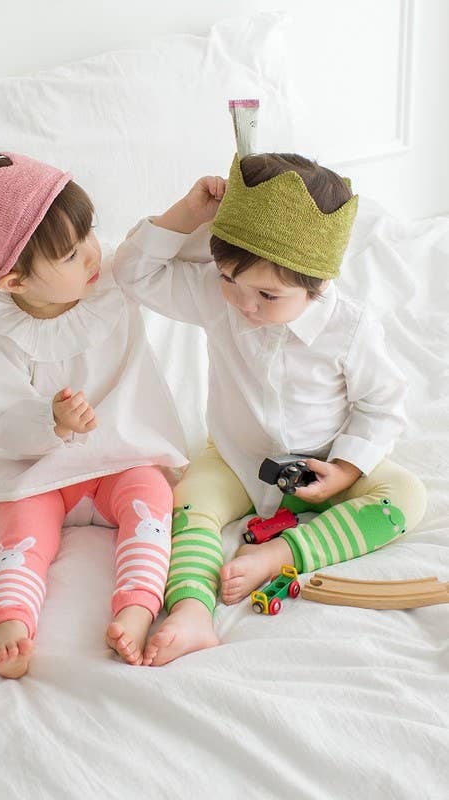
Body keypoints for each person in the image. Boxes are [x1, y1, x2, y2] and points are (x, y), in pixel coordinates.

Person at [112, 150, 427, 666]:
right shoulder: (220, 300)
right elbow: (132, 273)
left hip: (324, 464)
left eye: (268, 294)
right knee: (186, 506)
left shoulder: (348, 328)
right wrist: (186, 216)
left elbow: (382, 404)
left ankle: (281, 555)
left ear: (317, 285)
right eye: (230, 281)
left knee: (407, 497)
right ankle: (191, 611)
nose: (245, 305)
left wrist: (347, 470)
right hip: (237, 460)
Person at [0, 152, 188, 677]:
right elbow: (0, 422)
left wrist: (191, 208)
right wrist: (50, 420)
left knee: (151, 499)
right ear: (15, 283)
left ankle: (137, 607)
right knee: (25, 535)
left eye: (89, 232)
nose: (93, 253)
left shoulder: (115, 279)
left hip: (120, 456)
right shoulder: (1, 334)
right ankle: (10, 622)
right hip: (39, 471)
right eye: (72, 254)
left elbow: (155, 243)